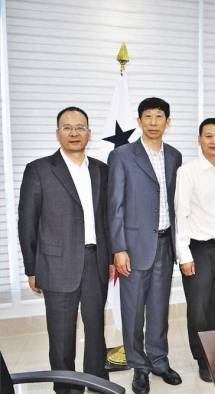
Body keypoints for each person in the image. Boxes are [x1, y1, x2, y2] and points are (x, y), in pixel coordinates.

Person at [18, 107, 110, 393]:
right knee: (61, 335)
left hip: (95, 260)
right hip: (56, 264)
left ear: (89, 133)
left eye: (80, 127)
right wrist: (31, 268)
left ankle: (96, 383)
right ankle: (66, 388)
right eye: (67, 127)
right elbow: (27, 222)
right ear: (57, 132)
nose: (74, 133)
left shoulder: (101, 169)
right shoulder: (39, 169)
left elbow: (107, 217)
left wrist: (111, 255)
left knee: (96, 330)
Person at [108, 97, 182, 394]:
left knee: (159, 308)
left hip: (165, 244)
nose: (153, 122)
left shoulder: (175, 156)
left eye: (159, 116)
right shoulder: (123, 155)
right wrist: (118, 248)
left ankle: (159, 360)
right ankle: (138, 365)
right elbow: (114, 206)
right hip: (134, 247)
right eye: (148, 117)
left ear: (168, 121)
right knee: (133, 310)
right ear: (139, 121)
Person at [175, 118, 215, 382]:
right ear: (199, 140)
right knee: (198, 308)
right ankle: (202, 359)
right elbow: (182, 214)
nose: (214, 141)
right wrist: (184, 255)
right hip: (197, 248)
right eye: (208, 136)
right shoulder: (187, 172)